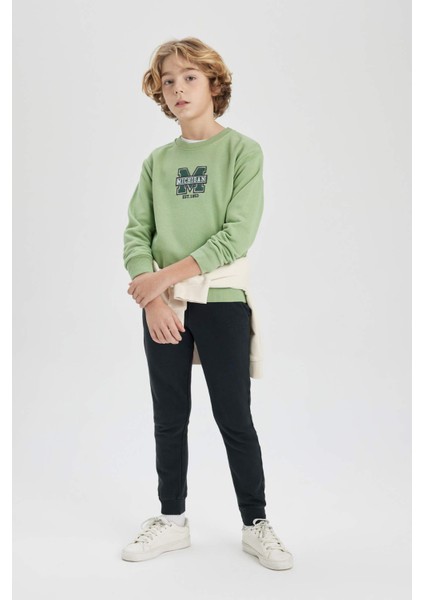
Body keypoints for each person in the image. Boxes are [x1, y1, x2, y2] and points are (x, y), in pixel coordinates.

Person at [121, 37, 293, 571]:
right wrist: (154, 300)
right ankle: (172, 521)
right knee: (169, 416)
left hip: (220, 301)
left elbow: (235, 237)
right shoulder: (157, 162)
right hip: (164, 308)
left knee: (234, 416)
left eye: (190, 77)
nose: (178, 89)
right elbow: (136, 235)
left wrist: (160, 280)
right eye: (168, 81)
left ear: (215, 84)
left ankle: (256, 523)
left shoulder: (243, 152)